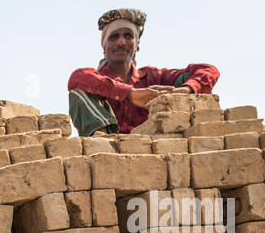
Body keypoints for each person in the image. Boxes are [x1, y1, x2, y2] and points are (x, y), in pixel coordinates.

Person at [68, 7, 220, 136]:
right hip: (108, 148)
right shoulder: (96, 78)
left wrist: (186, 90)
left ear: (136, 45)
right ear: (104, 47)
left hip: (154, 145)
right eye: (114, 37)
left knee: (191, 81)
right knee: (80, 92)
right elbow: (76, 78)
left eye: (128, 36)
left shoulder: (153, 77)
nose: (121, 42)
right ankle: (103, 142)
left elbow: (209, 70)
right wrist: (130, 94)